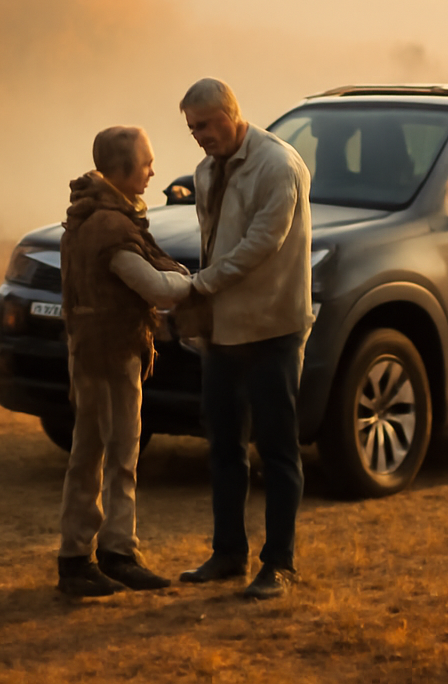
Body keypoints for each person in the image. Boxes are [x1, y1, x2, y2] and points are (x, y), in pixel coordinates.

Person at [176, 78, 312, 601]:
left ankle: (279, 564)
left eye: (206, 125)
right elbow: (213, 241)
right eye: (192, 128)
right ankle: (228, 554)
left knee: (277, 450)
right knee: (224, 446)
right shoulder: (206, 171)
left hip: (273, 327)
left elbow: (262, 243)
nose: (199, 136)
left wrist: (198, 286)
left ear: (232, 114)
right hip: (224, 332)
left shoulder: (279, 166)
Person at [56, 127, 192, 597]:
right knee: (112, 455)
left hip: (97, 347)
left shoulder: (95, 214)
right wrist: (197, 285)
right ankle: (104, 554)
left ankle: (95, 554)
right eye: (146, 162)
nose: (153, 170)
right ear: (120, 170)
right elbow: (154, 287)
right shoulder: (110, 226)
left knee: (97, 453)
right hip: (108, 353)